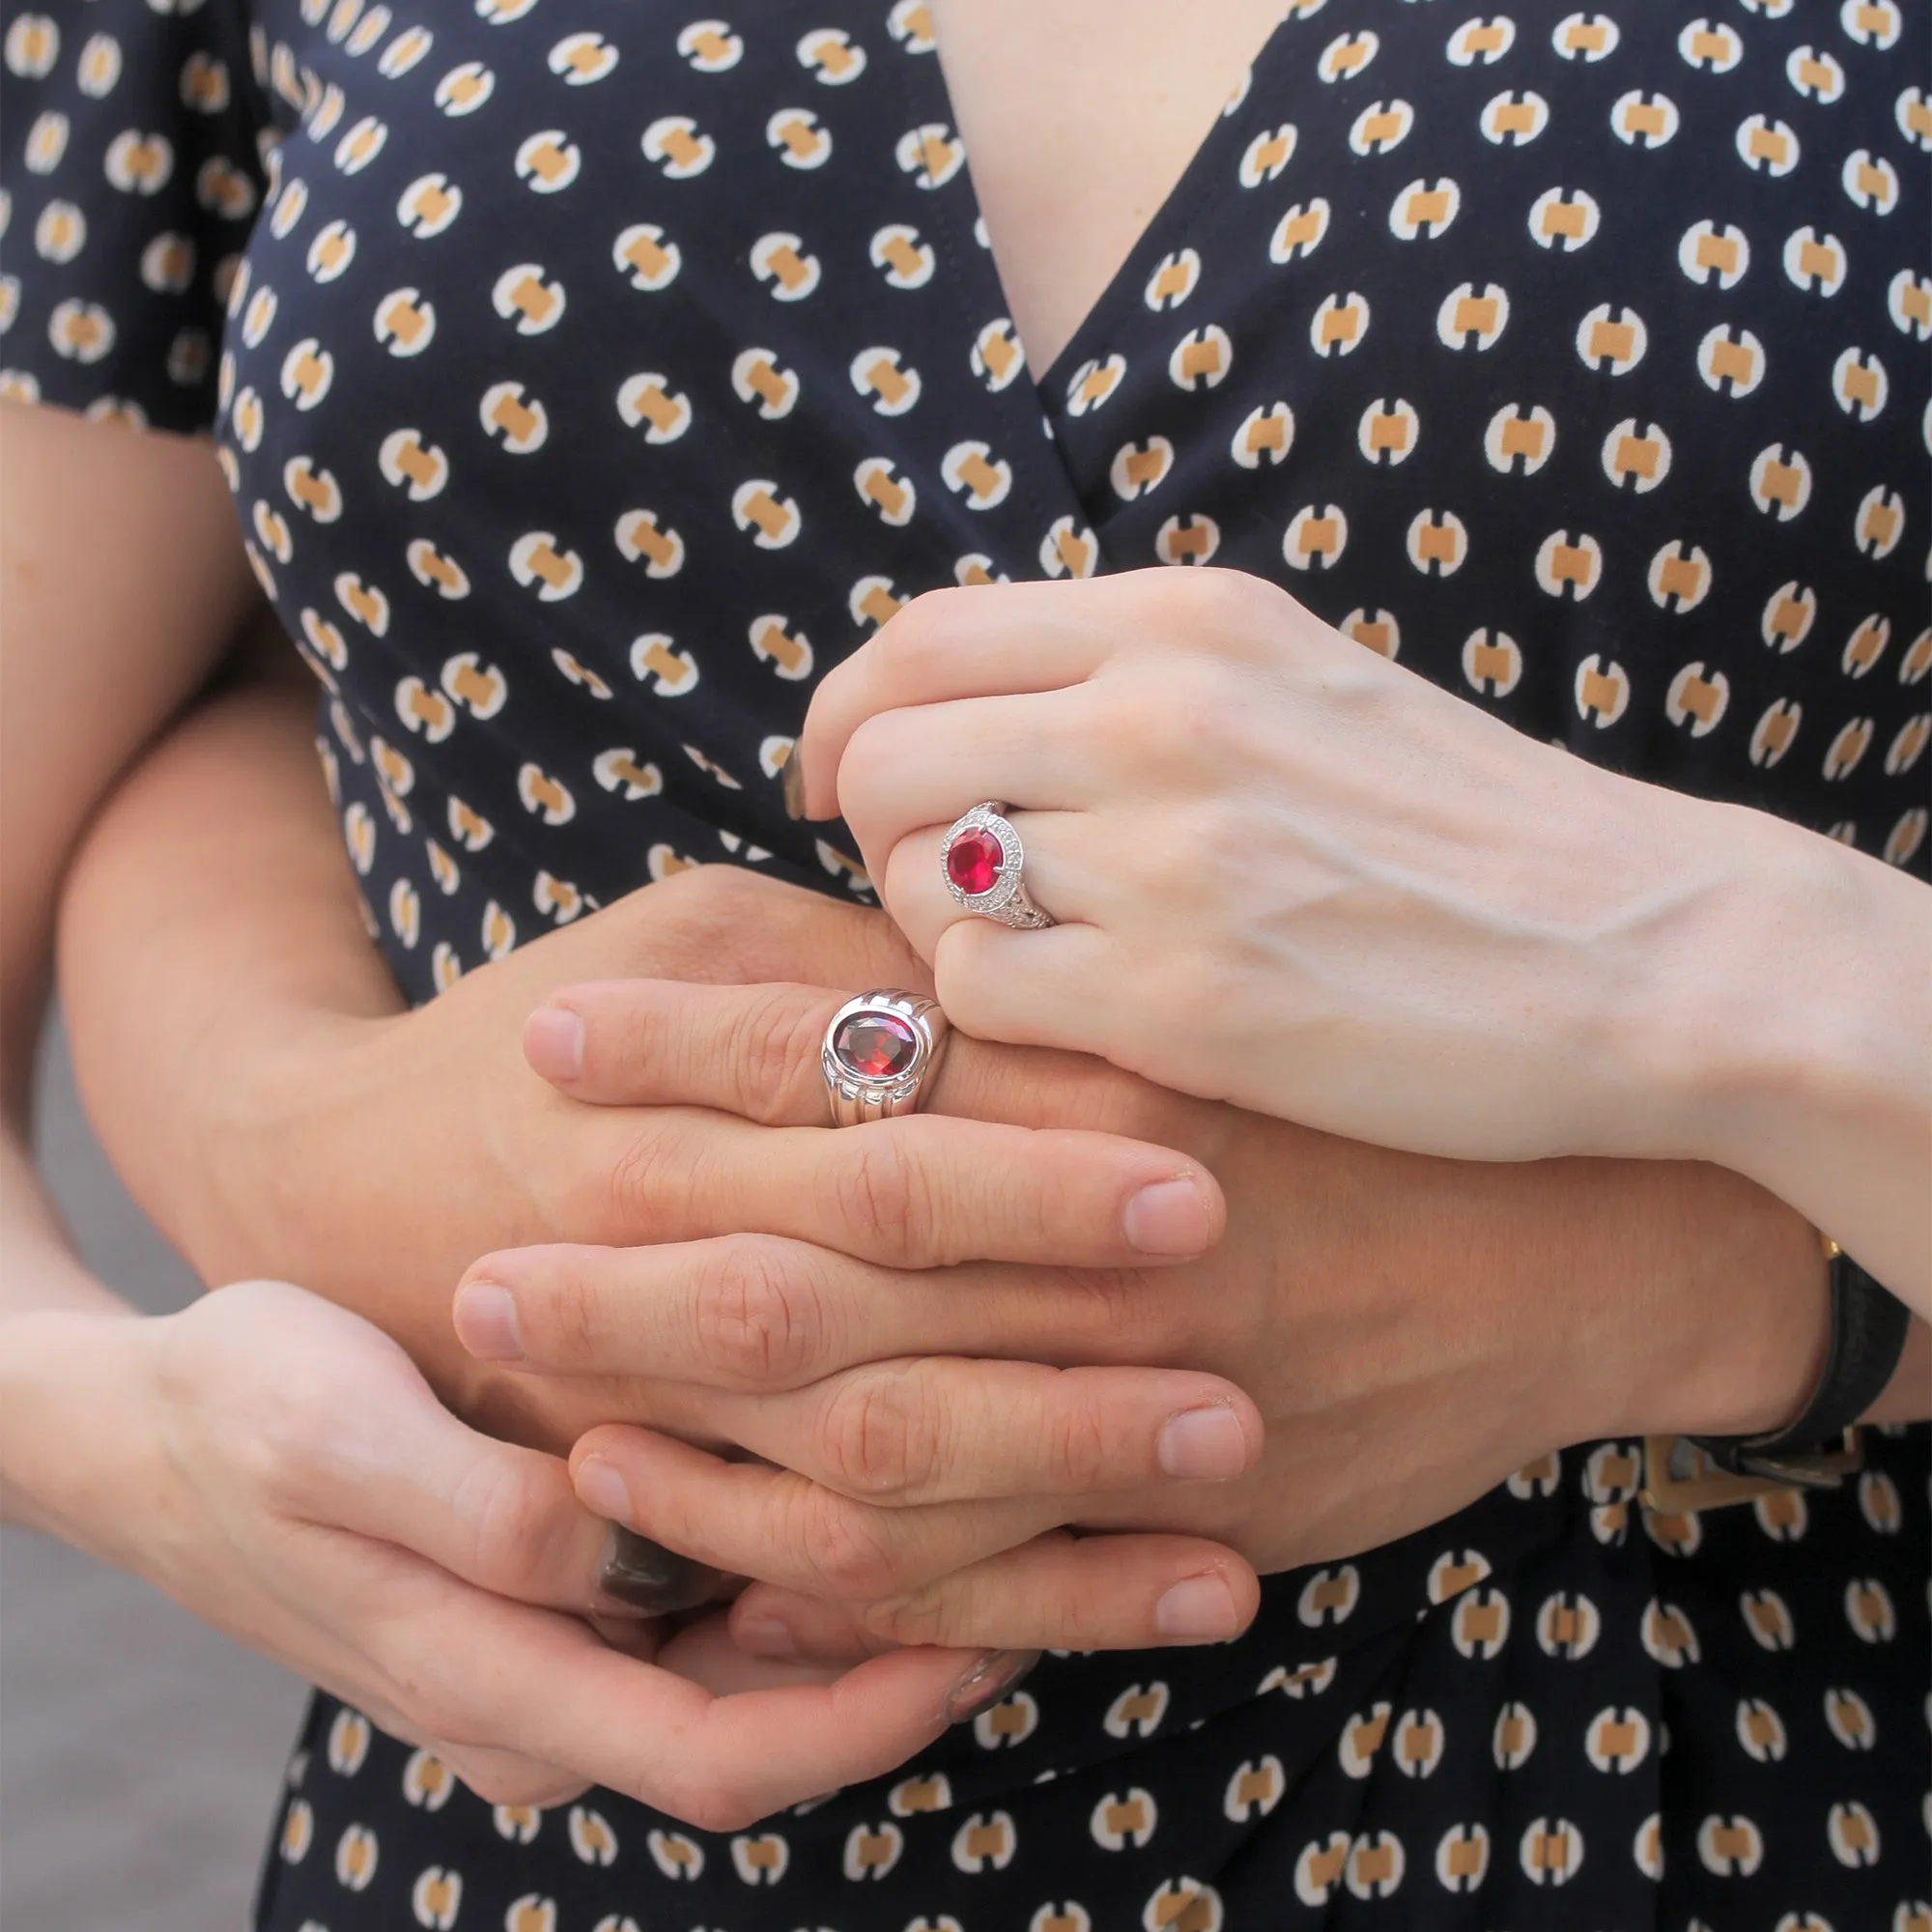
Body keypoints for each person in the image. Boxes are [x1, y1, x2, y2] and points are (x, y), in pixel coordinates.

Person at [4, 0, 1925, 1926]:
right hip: (593, 1833)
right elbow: (197, 681)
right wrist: (151, 1364)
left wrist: (1702, 1198)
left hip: (1734, 1775)